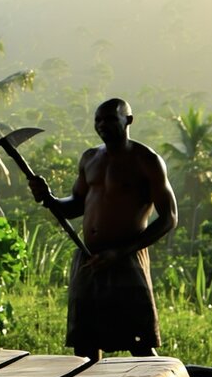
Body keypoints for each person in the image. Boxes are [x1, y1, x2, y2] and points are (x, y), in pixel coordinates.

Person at [28, 98, 177, 361]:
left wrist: (120, 253)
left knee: (139, 343)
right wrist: (49, 198)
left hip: (125, 259)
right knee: (85, 344)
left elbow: (169, 218)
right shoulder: (90, 158)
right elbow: (75, 206)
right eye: (98, 120)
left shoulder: (147, 160)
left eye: (109, 119)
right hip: (88, 257)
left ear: (128, 120)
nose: (102, 125)